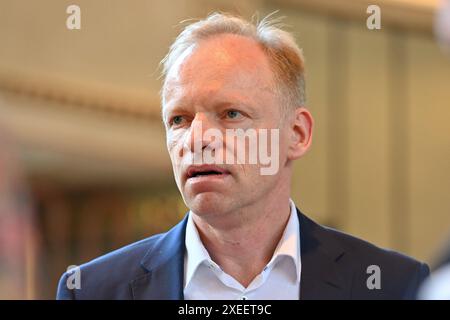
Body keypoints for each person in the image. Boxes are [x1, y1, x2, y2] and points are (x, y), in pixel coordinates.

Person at [57, 12, 429, 300]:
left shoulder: (394, 286)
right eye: (179, 119)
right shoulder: (93, 291)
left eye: (231, 114)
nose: (197, 139)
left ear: (296, 135)